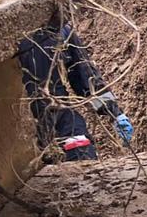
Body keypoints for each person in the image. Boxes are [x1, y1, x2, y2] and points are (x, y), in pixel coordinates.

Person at [17, 16, 134, 161]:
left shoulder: (62, 31)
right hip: (46, 124)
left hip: (50, 124)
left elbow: (85, 80)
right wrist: (115, 113)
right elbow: (86, 80)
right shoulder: (60, 32)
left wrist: (114, 112)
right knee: (82, 164)